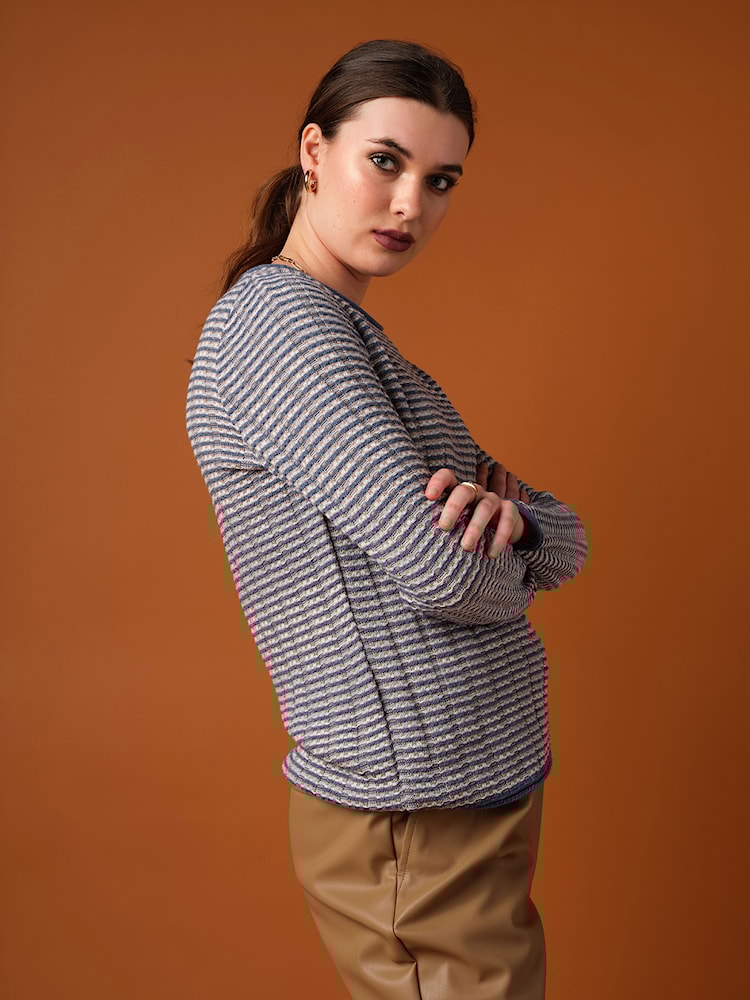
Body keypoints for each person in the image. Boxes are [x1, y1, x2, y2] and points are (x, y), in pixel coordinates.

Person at [186, 38, 587, 1000]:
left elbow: (558, 533)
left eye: (440, 180)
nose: (412, 203)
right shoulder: (280, 330)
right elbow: (448, 570)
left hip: (465, 786)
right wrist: (513, 551)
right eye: (386, 161)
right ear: (313, 152)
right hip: (416, 804)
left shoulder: (350, 337)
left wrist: (523, 529)